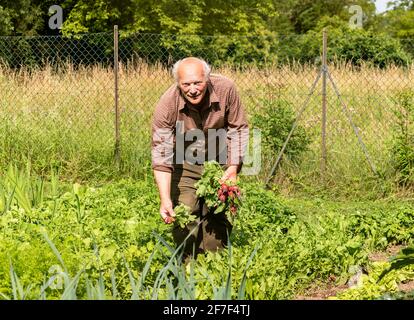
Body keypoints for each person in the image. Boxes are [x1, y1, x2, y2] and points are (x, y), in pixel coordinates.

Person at [151, 57, 249, 262]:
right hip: (185, 161)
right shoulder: (167, 103)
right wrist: (165, 199)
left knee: (217, 215)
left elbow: (238, 129)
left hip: (220, 160)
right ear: (178, 84)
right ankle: (187, 269)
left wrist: (232, 169)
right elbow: (161, 154)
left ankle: (215, 268)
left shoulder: (226, 89)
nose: (193, 89)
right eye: (186, 84)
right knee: (184, 211)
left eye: (198, 83)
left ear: (208, 77)